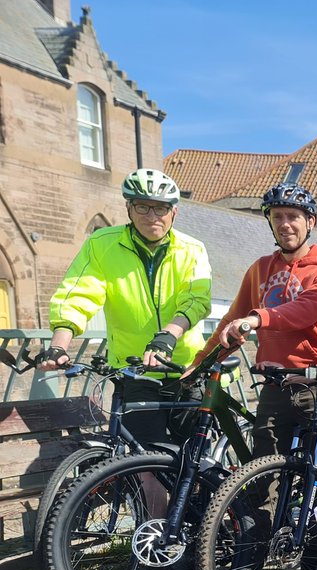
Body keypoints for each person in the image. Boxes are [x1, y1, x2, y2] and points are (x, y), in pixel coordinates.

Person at [195, 181, 317, 570]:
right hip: (276, 385)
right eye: (278, 217)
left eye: (293, 217)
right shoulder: (261, 268)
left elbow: (308, 308)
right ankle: (250, 566)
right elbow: (232, 320)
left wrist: (259, 319)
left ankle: (315, 562)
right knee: (261, 478)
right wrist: (197, 366)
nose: (285, 224)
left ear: (310, 222)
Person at [40, 168, 212, 445]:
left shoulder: (192, 249)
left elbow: (196, 299)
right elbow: (78, 295)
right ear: (128, 208)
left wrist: (168, 335)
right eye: (142, 207)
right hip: (135, 370)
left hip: (186, 369)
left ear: (174, 212)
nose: (152, 216)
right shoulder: (102, 245)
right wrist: (59, 344)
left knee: (192, 460)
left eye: (161, 208)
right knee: (142, 460)